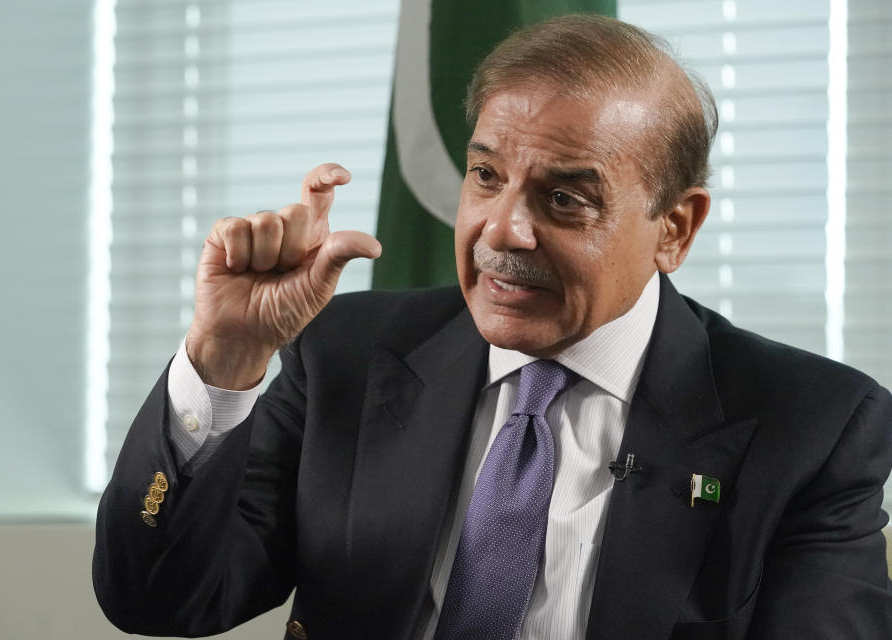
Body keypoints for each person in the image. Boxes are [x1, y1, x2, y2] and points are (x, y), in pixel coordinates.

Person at [93, 14, 892, 640]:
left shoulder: (810, 427)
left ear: (674, 229)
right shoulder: (349, 355)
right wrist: (224, 360)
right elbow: (159, 600)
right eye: (486, 176)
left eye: (566, 197)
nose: (502, 230)